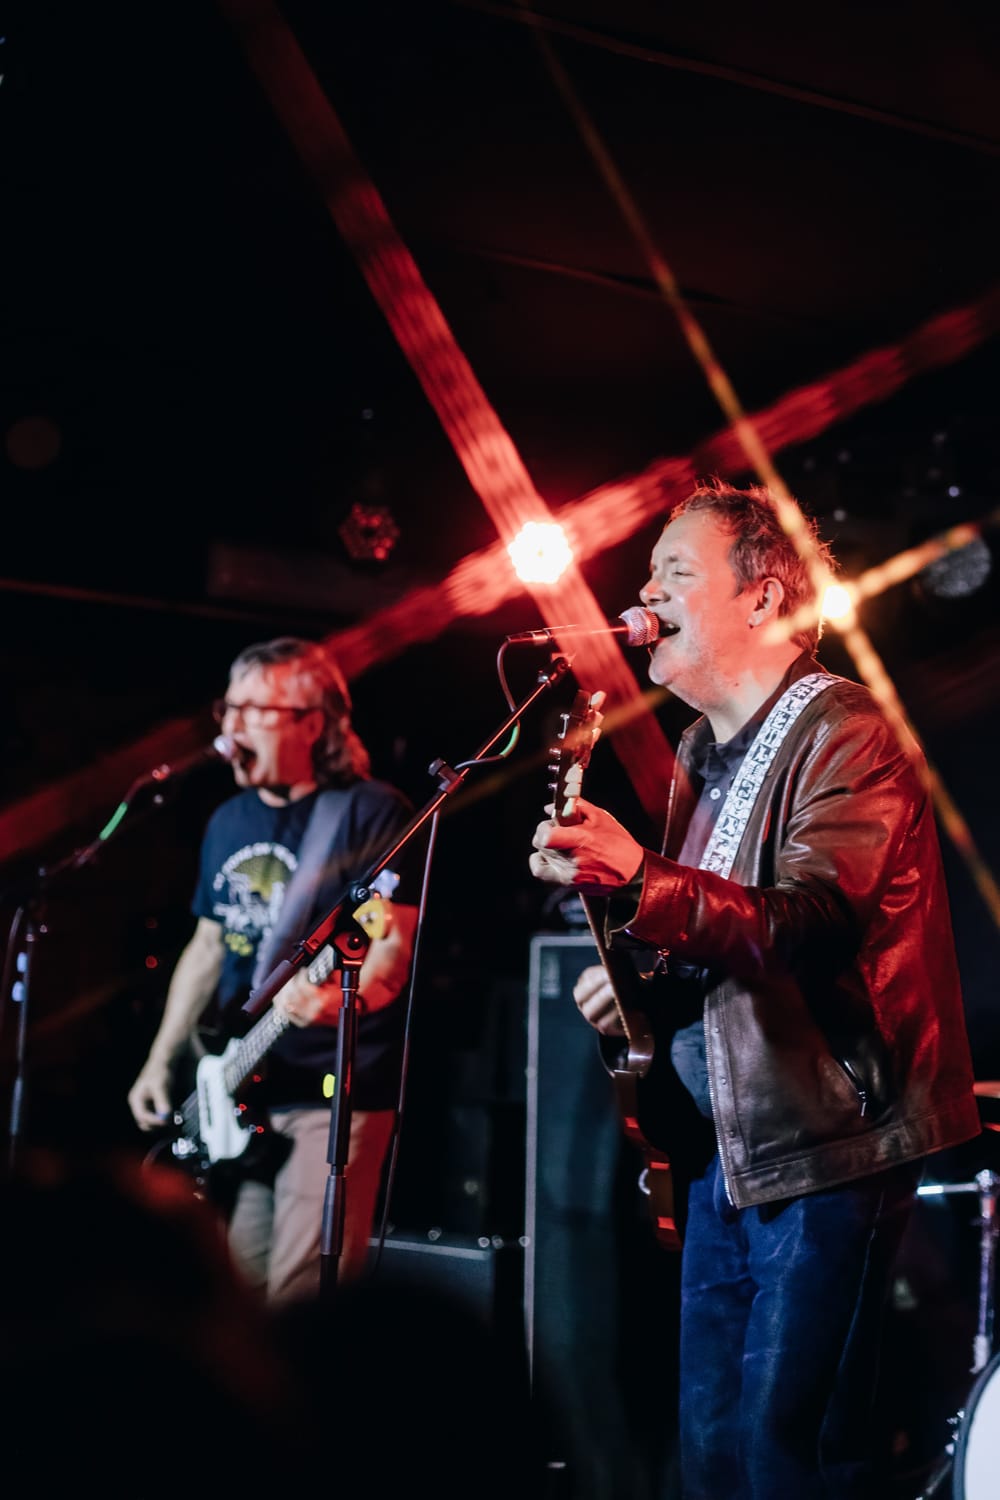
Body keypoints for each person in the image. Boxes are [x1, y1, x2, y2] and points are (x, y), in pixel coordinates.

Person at [529, 479, 980, 1499]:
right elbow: (720, 941)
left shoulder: (845, 730)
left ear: (764, 596)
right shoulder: (704, 751)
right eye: (647, 575)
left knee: (793, 1457)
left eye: (674, 574)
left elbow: (809, 923)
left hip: (827, 1147)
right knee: (715, 1456)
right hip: (727, 1152)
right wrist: (631, 970)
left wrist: (641, 878)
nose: (645, 595)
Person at [128, 635, 420, 1304]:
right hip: (245, 1085)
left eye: (250, 710)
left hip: (331, 1091)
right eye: (227, 708)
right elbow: (207, 947)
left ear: (311, 724)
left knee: (303, 1297)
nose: (230, 727)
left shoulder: (371, 813)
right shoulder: (228, 820)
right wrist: (159, 1061)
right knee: (237, 1298)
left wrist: (336, 1002)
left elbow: (391, 950)